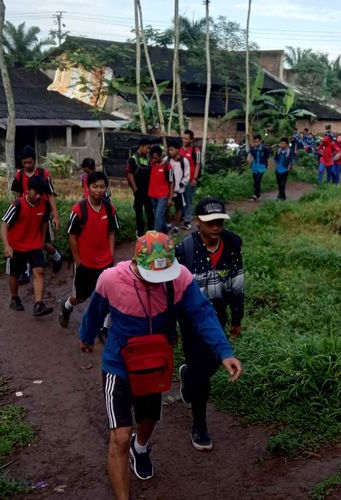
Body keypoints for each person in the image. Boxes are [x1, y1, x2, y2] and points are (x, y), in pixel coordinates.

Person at [79, 231, 243, 500]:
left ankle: (140, 447)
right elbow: (95, 312)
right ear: (135, 262)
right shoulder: (110, 279)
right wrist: (86, 337)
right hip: (119, 366)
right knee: (119, 436)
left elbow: (202, 313)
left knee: (148, 420)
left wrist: (224, 351)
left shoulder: (180, 278)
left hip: (155, 363)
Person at [175, 197, 244, 451]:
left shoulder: (232, 244)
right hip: (191, 319)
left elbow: (237, 284)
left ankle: (187, 375)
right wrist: (171, 326)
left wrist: (237, 318)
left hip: (217, 316)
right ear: (197, 222)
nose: (216, 226)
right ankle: (199, 425)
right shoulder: (184, 250)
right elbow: (172, 290)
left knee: (213, 362)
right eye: (209, 222)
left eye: (219, 221)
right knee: (202, 375)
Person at [59, 171, 119, 329]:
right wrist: (78, 261)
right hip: (85, 263)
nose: (99, 190)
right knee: (80, 297)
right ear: (88, 187)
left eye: (102, 187)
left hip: (105, 262)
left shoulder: (109, 209)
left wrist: (111, 254)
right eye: (95, 187)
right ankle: (66, 307)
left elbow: (112, 232)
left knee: (105, 296)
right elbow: (72, 236)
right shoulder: (79, 209)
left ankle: (103, 327)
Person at [0, 176, 54, 316]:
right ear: (28, 190)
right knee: (14, 274)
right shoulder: (17, 205)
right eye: (35, 193)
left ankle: (38, 304)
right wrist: (6, 245)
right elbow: (4, 225)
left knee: (39, 271)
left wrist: (42, 240)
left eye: (40, 194)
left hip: (34, 244)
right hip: (16, 245)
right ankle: (14, 297)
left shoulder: (44, 204)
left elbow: (44, 223)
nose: (38, 196)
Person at [11, 146, 63, 274]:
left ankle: (57, 256)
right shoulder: (19, 175)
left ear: (35, 161)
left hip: (41, 212)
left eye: (30, 162)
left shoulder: (43, 174)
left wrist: (55, 215)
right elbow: (17, 194)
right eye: (24, 163)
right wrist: (15, 211)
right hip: (25, 211)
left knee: (42, 242)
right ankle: (27, 271)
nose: (27, 165)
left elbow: (50, 195)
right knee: (26, 240)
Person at [126, 139, 154, 238]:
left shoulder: (148, 159)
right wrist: (135, 189)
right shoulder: (132, 159)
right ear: (141, 146)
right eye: (147, 148)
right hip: (138, 190)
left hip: (148, 190)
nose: (148, 150)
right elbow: (130, 175)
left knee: (150, 210)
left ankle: (151, 230)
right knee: (138, 211)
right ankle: (140, 231)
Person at [165, 140, 191, 234]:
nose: (170, 152)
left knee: (178, 208)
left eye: (171, 150)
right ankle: (168, 224)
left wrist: (181, 184)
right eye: (169, 150)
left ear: (177, 150)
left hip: (179, 190)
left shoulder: (184, 161)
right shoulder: (166, 160)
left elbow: (187, 175)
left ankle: (176, 227)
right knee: (167, 207)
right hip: (168, 191)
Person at [148, 145, 173, 233]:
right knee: (159, 216)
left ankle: (156, 237)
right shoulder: (151, 164)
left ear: (160, 156)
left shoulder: (168, 166)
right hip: (152, 195)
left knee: (158, 216)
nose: (154, 159)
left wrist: (170, 198)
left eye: (155, 157)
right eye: (153, 157)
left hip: (163, 196)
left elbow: (171, 182)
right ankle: (166, 232)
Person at [179, 130, 201, 231]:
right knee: (180, 200)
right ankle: (183, 217)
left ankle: (187, 221)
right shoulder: (179, 150)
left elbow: (197, 164)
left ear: (191, 140)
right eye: (183, 138)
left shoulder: (195, 151)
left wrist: (195, 179)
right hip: (180, 180)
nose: (184, 140)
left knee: (188, 200)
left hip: (190, 180)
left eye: (186, 139)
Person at [247, 134, 269, 201]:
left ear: (260, 141)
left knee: (258, 180)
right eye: (254, 142)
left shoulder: (264, 148)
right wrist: (249, 160)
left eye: (257, 142)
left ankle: (255, 195)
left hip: (262, 166)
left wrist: (267, 165)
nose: (255, 143)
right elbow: (249, 155)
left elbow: (267, 157)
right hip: (254, 166)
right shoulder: (253, 148)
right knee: (255, 181)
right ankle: (258, 195)